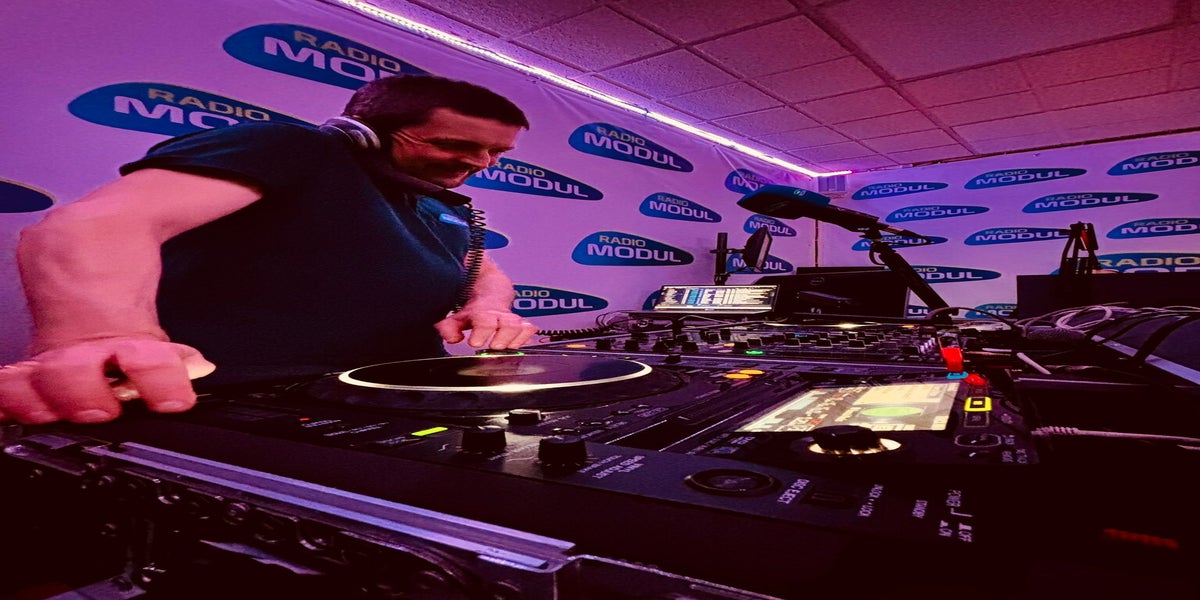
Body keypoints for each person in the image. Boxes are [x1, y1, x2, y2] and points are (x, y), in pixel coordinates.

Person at [0, 74, 539, 425]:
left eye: (496, 152)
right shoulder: (296, 148)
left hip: (391, 404)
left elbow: (484, 272)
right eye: (455, 144)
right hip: (236, 408)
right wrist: (100, 334)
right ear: (365, 132)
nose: (480, 164)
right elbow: (102, 222)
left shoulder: (439, 207)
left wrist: (488, 306)